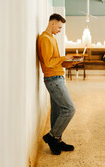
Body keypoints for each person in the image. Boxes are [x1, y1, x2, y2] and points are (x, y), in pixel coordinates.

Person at [37, 13, 76, 155]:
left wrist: (67, 63)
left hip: (56, 77)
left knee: (58, 112)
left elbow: (54, 61)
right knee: (69, 109)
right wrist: (63, 58)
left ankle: (57, 141)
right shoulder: (45, 39)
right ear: (52, 23)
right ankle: (51, 137)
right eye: (59, 27)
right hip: (53, 80)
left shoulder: (51, 38)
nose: (59, 30)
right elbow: (48, 62)